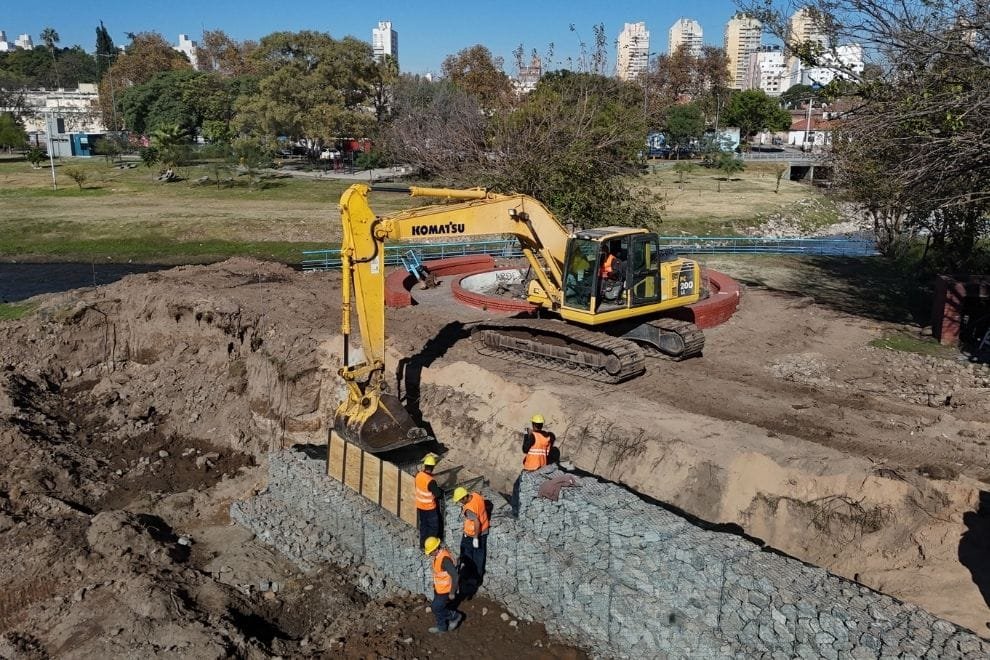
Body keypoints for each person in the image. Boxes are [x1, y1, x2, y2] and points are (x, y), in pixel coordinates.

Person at [510, 414, 557, 517]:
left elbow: (525, 449)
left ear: (534, 424)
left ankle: (515, 512)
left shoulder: (533, 436)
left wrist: (526, 435)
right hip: (542, 468)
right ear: (541, 425)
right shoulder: (548, 437)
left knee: (517, 487)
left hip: (530, 468)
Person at [452, 486, 489, 595]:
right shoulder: (476, 496)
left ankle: (469, 578)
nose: (460, 503)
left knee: (467, 556)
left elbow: (476, 522)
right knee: (479, 556)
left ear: (464, 498)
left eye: (460, 500)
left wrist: (475, 537)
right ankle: (477, 578)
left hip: (472, 535)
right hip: (484, 531)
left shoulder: (468, 508)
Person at [424, 536, 463, 634]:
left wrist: (452, 592)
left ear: (436, 549)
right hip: (439, 589)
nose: (430, 554)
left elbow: (455, 576)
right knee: (438, 607)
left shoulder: (445, 559)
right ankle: (442, 627)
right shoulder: (438, 556)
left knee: (436, 607)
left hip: (446, 590)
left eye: (430, 552)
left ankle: (455, 616)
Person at [415, 453, 443, 548]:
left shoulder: (419, 475)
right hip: (429, 508)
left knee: (424, 526)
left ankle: (423, 545)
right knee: (433, 527)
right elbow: (438, 494)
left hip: (420, 506)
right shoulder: (430, 481)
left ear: (425, 465)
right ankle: (432, 546)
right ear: (432, 467)